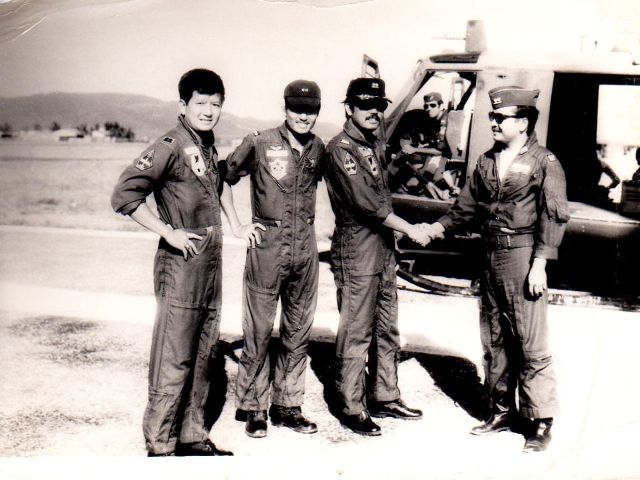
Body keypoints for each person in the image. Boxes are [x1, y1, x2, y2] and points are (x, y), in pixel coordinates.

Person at [425, 86, 569, 453]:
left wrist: (539, 264)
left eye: (500, 117)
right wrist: (435, 228)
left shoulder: (544, 162)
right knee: (494, 338)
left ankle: (540, 421)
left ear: (523, 123)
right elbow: (465, 208)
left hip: (522, 255)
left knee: (530, 340)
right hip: (489, 256)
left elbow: (553, 216)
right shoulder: (487, 161)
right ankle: (502, 410)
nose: (493, 122)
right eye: (492, 116)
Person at [110, 69, 233, 456]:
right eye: (201, 103)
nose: (208, 110)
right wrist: (167, 231)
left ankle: (191, 435)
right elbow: (125, 195)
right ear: (183, 105)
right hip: (180, 265)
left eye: (215, 104)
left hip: (209, 266)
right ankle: (161, 444)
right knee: (174, 355)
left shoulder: (207, 146)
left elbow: (219, 187)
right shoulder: (170, 145)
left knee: (204, 352)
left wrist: (237, 224)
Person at [324, 77, 428, 436]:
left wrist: (403, 161)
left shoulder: (374, 145)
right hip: (357, 248)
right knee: (357, 330)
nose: (374, 111)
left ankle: (385, 395)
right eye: (365, 105)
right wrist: (411, 229)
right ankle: (351, 405)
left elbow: (382, 188)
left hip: (382, 248)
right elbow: (369, 204)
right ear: (349, 108)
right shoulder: (340, 149)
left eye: (379, 106)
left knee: (387, 327)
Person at [224, 80, 325, 439]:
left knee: (298, 332)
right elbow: (223, 177)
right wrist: (237, 225)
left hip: (304, 251)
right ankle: (254, 408)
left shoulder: (319, 148)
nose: (303, 116)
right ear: (285, 109)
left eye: (310, 110)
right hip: (268, 249)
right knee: (258, 332)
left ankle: (288, 406)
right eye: (297, 109)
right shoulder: (260, 142)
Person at [391, 92, 456, 199]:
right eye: (426, 106)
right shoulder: (435, 120)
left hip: (445, 157)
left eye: (433, 105)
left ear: (441, 106)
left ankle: (417, 188)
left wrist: (414, 149)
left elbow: (439, 151)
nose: (428, 109)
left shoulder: (443, 123)